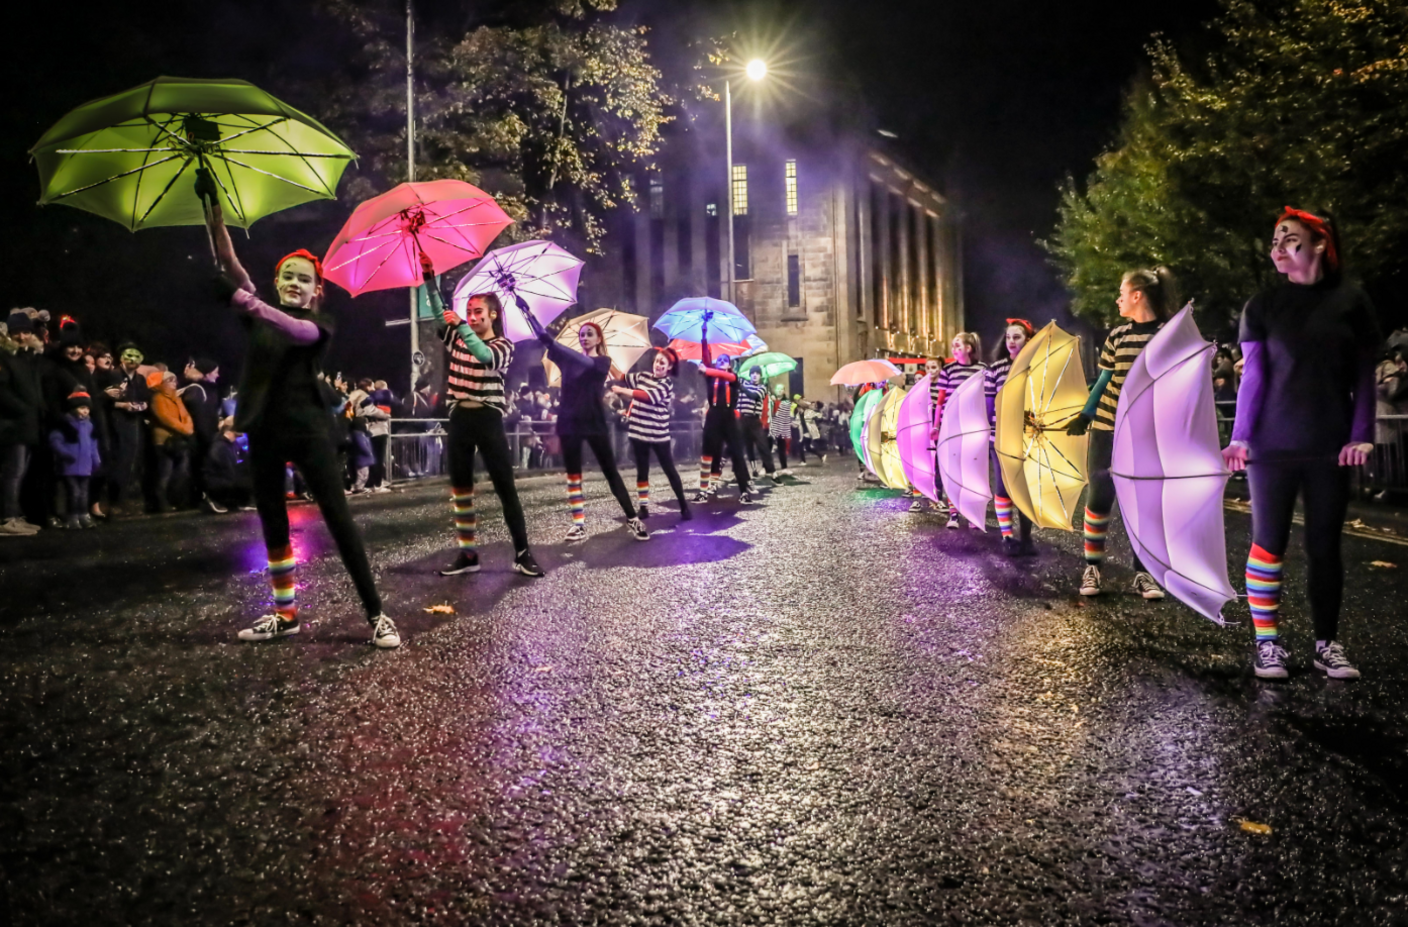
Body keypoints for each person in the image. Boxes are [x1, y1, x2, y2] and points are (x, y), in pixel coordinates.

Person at [201, 167, 400, 649]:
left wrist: (248, 303)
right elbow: (229, 265)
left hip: (309, 429)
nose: (294, 283)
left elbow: (296, 332)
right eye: (287, 276)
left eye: (304, 279)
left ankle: (376, 613)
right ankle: (285, 613)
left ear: (316, 291)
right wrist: (213, 210)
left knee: (337, 517)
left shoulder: (318, 324)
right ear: (277, 281)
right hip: (265, 428)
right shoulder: (259, 316)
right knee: (271, 517)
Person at [1223, 208, 1379, 681]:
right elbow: (1254, 378)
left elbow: (1364, 377)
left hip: (1330, 446)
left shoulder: (1352, 302)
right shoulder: (1262, 305)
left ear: (1319, 243)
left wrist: (1362, 435)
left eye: (1289, 237)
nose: (1277, 246)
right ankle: (1266, 644)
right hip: (1271, 446)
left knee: (1324, 547)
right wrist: (1240, 437)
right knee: (1268, 543)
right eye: (1273, 239)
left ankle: (1326, 644)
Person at [1066, 268, 1177, 601]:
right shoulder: (1117, 335)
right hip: (1107, 426)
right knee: (1099, 497)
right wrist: (1087, 414)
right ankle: (1093, 568)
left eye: (1121, 292)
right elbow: (1103, 380)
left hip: (1146, 432)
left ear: (1137, 294)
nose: (1118, 298)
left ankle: (1143, 574)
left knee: (1143, 504)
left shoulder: (1168, 335)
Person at [432, 260, 543, 577]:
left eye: (478, 311)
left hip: (488, 419)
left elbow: (485, 357)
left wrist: (461, 326)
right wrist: (430, 274)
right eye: (469, 311)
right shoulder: (456, 338)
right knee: (461, 489)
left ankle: (522, 553)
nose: (472, 316)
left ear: (493, 315)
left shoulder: (503, 345)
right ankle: (468, 554)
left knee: (505, 487)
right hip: (460, 420)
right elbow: (439, 308)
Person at [525, 307, 648, 541]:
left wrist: (557, 345)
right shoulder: (566, 358)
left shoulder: (603, 361)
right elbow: (545, 339)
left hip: (593, 420)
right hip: (569, 420)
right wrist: (528, 313)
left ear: (599, 339)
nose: (585, 337)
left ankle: (632, 518)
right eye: (582, 334)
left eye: (590, 333)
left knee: (610, 470)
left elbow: (579, 359)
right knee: (573, 474)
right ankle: (578, 524)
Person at [611, 347, 692, 522]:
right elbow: (621, 376)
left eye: (662, 363)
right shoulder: (643, 376)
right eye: (656, 361)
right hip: (638, 431)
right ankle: (643, 506)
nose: (658, 365)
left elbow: (647, 396)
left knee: (669, 469)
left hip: (658, 434)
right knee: (642, 470)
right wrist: (606, 360)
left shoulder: (667, 384)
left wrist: (623, 391)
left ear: (669, 367)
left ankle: (684, 505)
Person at [985, 320, 1037, 555]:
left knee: (1026, 487)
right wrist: (986, 428)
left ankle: (1027, 538)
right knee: (1004, 486)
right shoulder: (995, 369)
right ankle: (1007, 537)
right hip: (1000, 435)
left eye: (1017, 337)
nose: (1012, 342)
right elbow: (988, 403)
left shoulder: (1036, 367)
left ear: (1028, 339)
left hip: (1028, 435)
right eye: (1008, 337)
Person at [694, 316, 757, 504]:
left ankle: (744, 490)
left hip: (729, 417)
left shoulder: (734, 378)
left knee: (737, 453)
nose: (721, 361)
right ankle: (704, 489)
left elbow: (715, 371)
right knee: (707, 452)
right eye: (719, 359)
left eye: (725, 360)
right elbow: (705, 357)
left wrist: (707, 370)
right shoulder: (710, 378)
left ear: (729, 365)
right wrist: (704, 333)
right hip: (713, 415)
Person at [932, 332, 986, 529]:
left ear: (969, 348)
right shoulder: (948, 371)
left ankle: (972, 513)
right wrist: (936, 425)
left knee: (972, 471)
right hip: (951, 425)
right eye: (953, 346)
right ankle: (954, 513)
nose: (954, 349)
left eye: (957, 345)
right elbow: (940, 401)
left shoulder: (982, 369)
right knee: (952, 471)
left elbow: (987, 398)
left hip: (974, 426)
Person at [1, 311, 45, 535]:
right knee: (13, 472)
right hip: (12, 425)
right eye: (17, 332)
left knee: (20, 472)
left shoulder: (28, 357)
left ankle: (15, 516)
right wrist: (23, 409)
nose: (21, 336)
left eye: (26, 331)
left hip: (27, 424)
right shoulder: (4, 357)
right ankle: (6, 519)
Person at [103, 342, 150, 517]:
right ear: (122, 358)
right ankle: (114, 501)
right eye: (129, 355)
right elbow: (104, 400)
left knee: (133, 461)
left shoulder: (140, 379)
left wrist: (143, 405)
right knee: (119, 460)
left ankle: (125, 500)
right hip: (116, 422)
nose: (132, 359)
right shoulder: (112, 375)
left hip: (135, 423)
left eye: (137, 356)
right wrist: (123, 405)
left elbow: (146, 399)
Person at [48, 388, 100, 529]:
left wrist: (96, 460)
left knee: (83, 493)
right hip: (69, 465)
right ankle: (72, 517)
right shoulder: (65, 425)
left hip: (85, 465)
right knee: (74, 492)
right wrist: (65, 454)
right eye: (82, 407)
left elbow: (93, 444)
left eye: (87, 408)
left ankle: (83, 515)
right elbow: (55, 441)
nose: (85, 411)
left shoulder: (89, 425)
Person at [148, 370, 194, 512]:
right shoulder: (157, 398)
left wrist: (188, 428)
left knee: (180, 474)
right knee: (164, 474)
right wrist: (186, 430)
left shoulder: (177, 399)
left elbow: (186, 416)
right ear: (160, 384)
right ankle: (160, 504)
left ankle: (177, 501)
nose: (174, 383)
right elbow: (165, 418)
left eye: (174, 380)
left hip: (178, 441)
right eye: (170, 380)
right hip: (164, 442)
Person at [204, 418, 253, 511]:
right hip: (220, 485)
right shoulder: (219, 447)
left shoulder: (234, 443)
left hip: (228, 481)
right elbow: (227, 472)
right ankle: (219, 501)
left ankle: (243, 500)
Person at [736, 366, 775, 481]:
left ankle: (772, 473)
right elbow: (733, 378)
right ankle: (737, 474)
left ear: (760, 375)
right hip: (741, 419)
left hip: (754, 420)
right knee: (735, 446)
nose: (755, 375)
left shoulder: (763, 388)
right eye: (753, 373)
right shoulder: (743, 382)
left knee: (763, 446)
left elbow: (755, 396)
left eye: (757, 373)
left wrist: (742, 388)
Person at [767, 382, 796, 475]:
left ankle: (784, 467)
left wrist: (775, 402)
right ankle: (766, 468)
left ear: (784, 391)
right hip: (771, 427)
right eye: (778, 388)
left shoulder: (786, 402)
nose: (779, 390)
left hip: (782, 427)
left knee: (781, 448)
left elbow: (780, 414)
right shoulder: (770, 400)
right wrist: (771, 402)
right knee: (767, 448)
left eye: (781, 389)